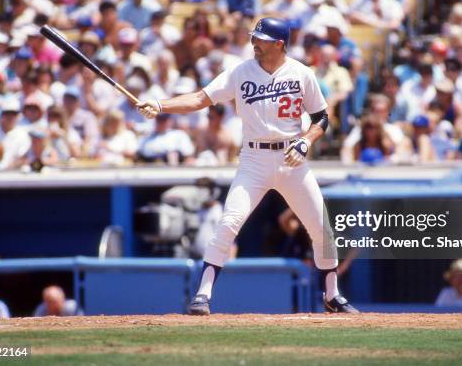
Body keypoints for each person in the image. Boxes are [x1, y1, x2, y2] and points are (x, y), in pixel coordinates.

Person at [136, 17, 358, 315]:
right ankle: (202, 295)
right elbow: (201, 99)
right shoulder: (241, 71)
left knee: (322, 228)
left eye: (261, 39)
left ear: (279, 44)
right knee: (229, 222)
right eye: (254, 37)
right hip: (254, 159)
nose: (255, 43)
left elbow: (322, 118)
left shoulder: (301, 73)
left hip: (292, 157)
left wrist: (306, 141)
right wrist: (162, 105)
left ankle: (332, 295)